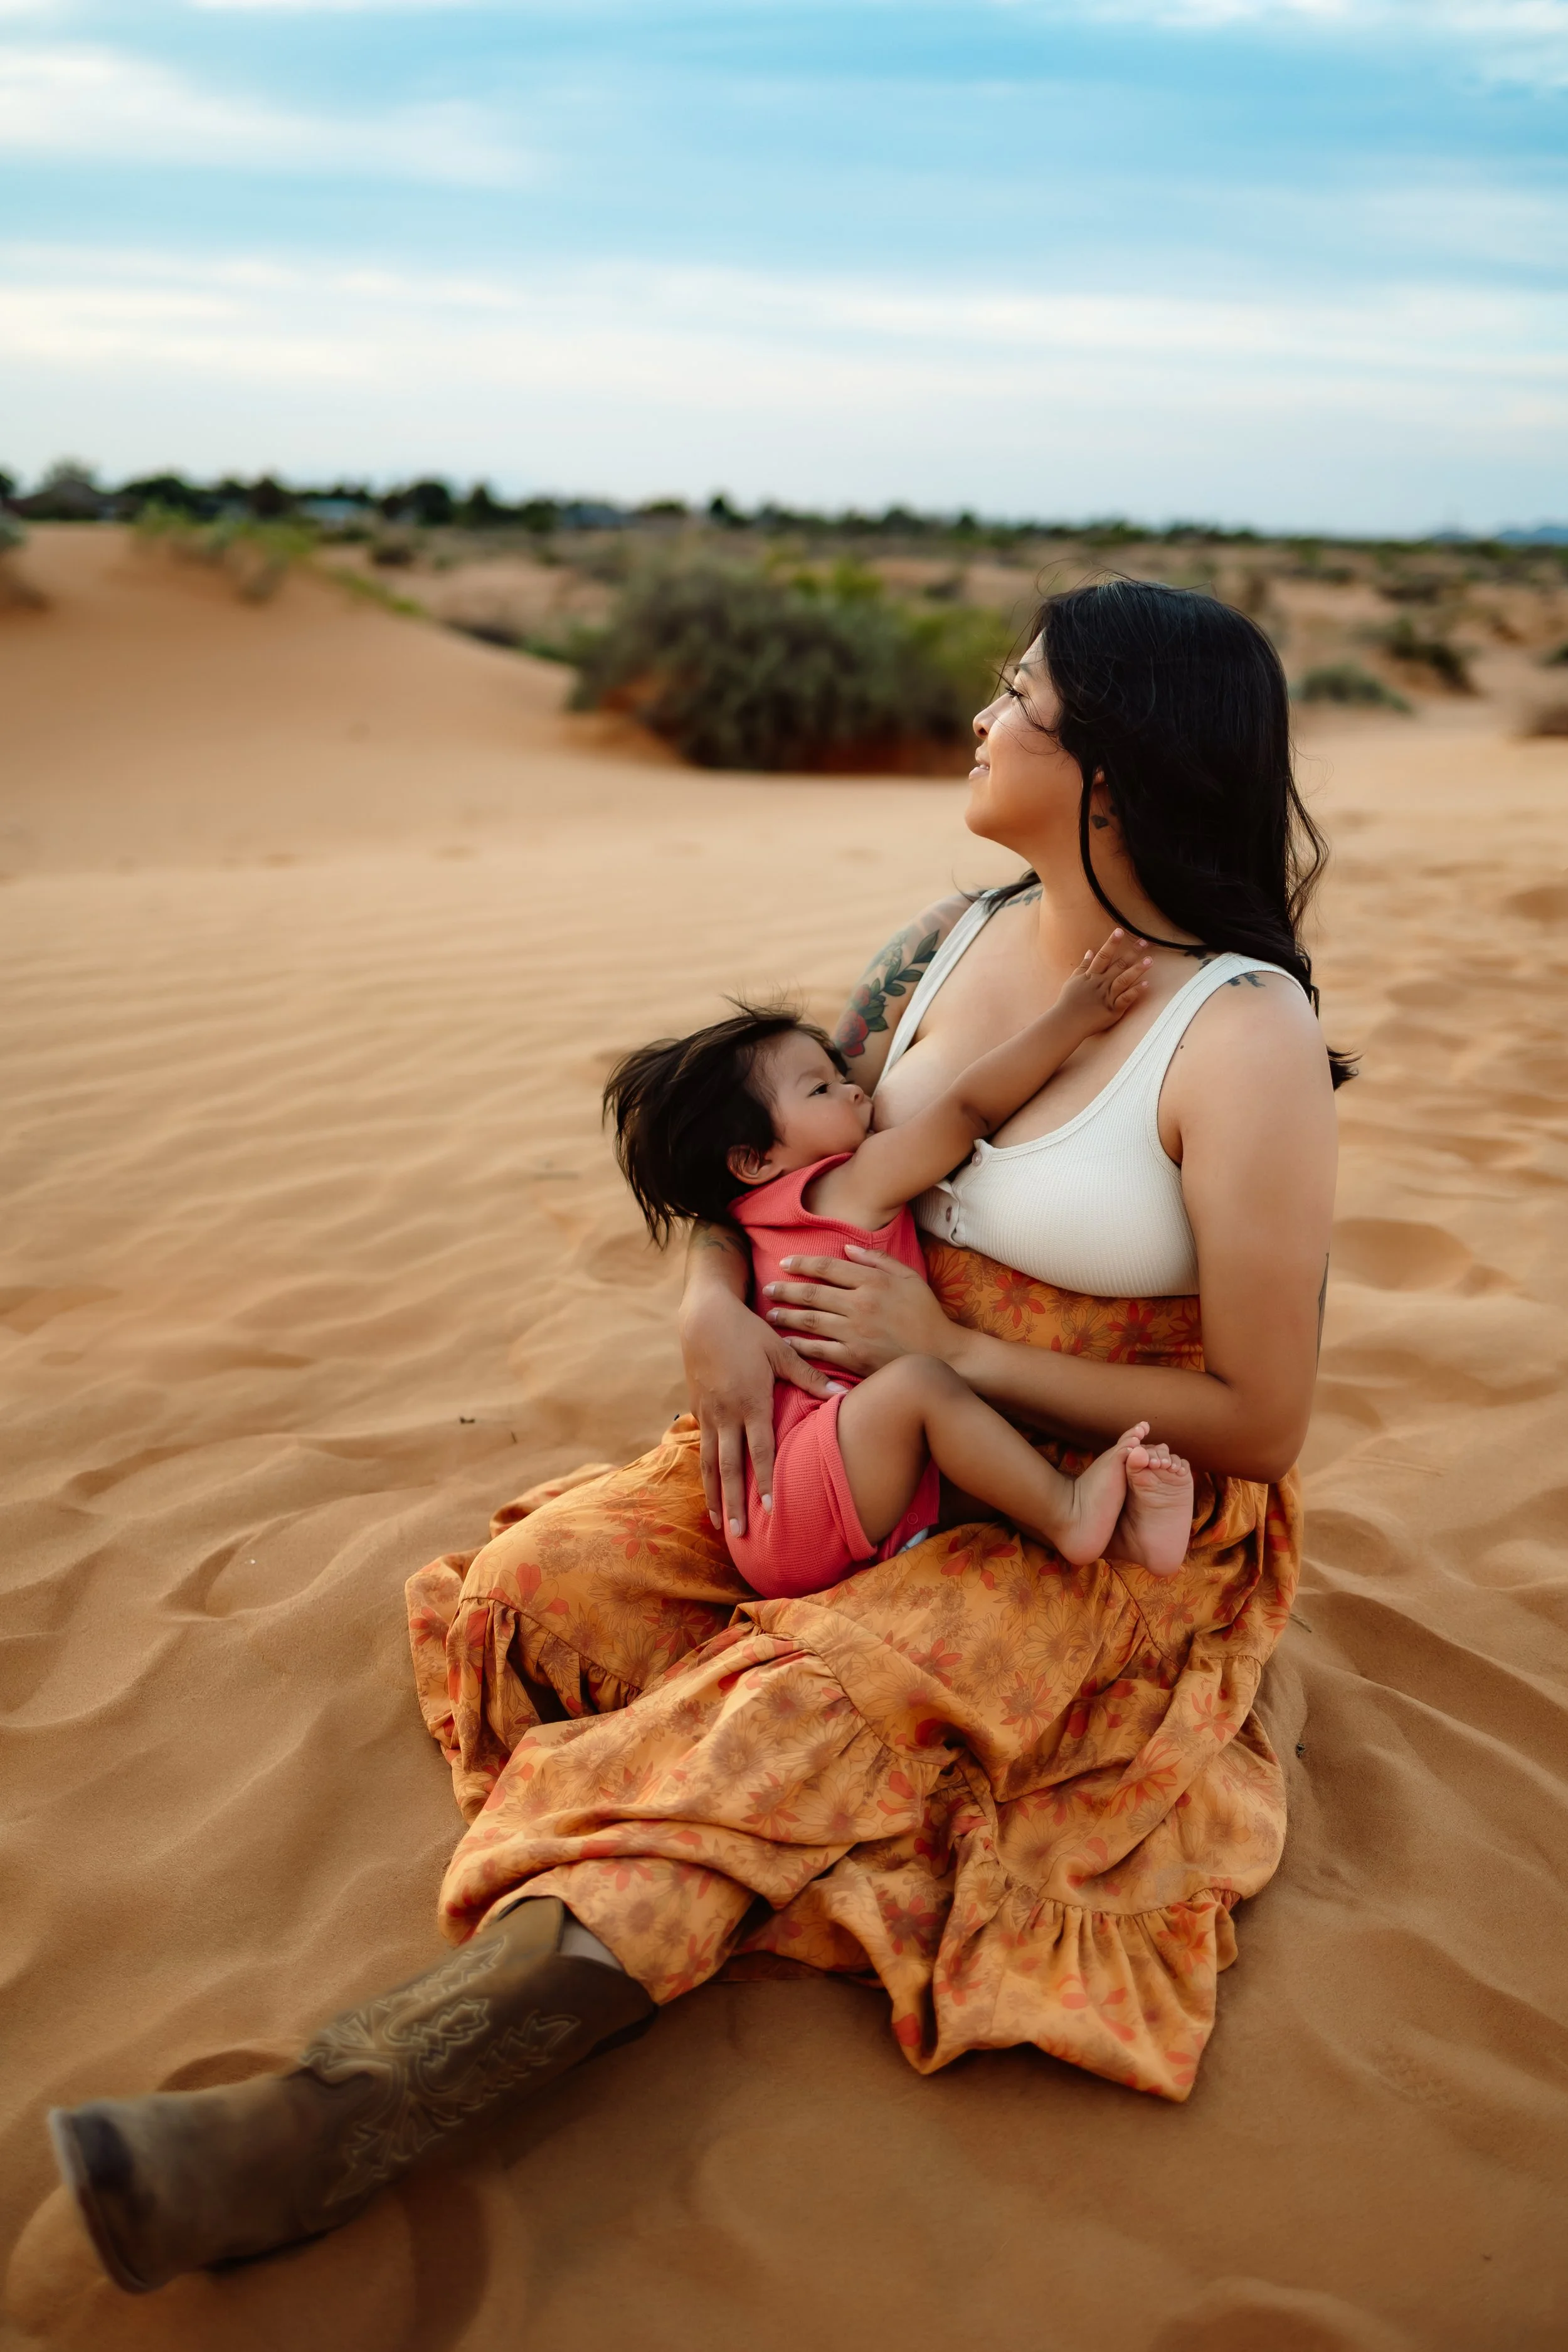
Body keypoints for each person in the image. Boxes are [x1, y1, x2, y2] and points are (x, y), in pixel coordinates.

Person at [48, 579, 1343, 2294]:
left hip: (1093, 1508)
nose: (979, 712)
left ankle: (337, 2111)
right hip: (844, 1420)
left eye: (1015, 692)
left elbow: (1260, 1417)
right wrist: (712, 1295)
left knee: (790, 1720)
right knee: (535, 1586)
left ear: (1107, 760)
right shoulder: (948, 938)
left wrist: (947, 1342)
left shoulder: (1239, 1033)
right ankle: (733, 1800)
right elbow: (779, 1164)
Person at [603, 962, 1196, 1595]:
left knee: (965, 1445)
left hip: (783, 1502)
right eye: (821, 1091)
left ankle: (1119, 1535)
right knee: (922, 1385)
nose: (856, 1092)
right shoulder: (845, 1183)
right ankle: (1068, 1512)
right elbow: (968, 1109)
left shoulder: (750, 1219)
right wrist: (1071, 1020)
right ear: (755, 1160)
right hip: (799, 1501)